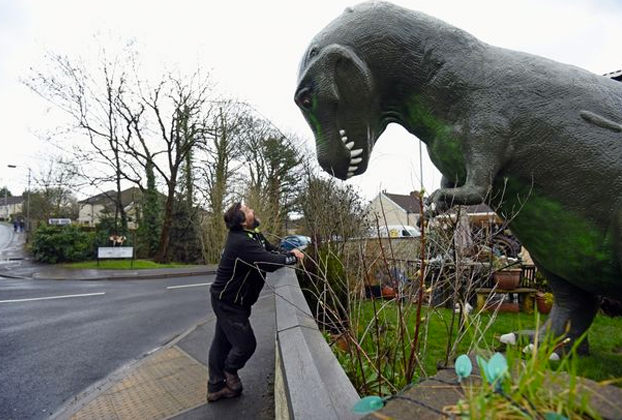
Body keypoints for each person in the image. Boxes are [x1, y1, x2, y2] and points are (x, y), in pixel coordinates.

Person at [207, 202, 304, 402]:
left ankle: (215, 387)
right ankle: (228, 372)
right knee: (245, 345)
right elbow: (268, 262)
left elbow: (271, 250)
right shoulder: (240, 242)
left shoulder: (254, 235)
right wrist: (292, 259)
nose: (253, 211)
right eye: (249, 210)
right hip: (227, 301)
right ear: (243, 221)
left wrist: (287, 253)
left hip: (235, 300)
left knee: (222, 342)